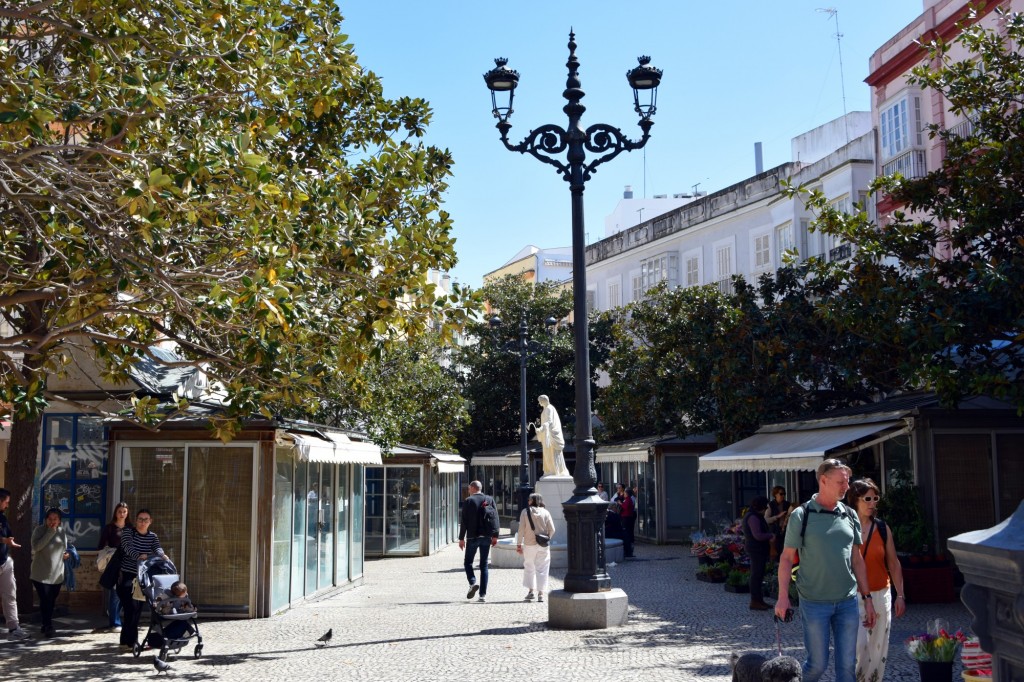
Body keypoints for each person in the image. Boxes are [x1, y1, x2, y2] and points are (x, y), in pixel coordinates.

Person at [774, 459, 876, 682]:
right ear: (823, 480)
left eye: (847, 481)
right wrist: (782, 597)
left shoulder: (849, 515)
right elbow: (786, 558)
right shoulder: (802, 515)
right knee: (817, 665)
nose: (846, 487)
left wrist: (867, 598)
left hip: (847, 601)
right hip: (814, 601)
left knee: (847, 667)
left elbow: (857, 559)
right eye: (841, 482)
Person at [846, 478, 906, 682]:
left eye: (875, 498)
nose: (873, 503)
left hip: (881, 593)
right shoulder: (844, 527)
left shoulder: (882, 528)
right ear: (855, 500)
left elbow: (894, 563)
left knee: (878, 648)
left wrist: (901, 595)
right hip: (853, 596)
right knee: (859, 645)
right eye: (867, 498)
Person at [118, 509, 164, 650]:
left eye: (146, 519)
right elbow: (128, 548)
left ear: (150, 521)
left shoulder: (152, 536)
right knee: (130, 609)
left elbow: (157, 548)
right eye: (140, 519)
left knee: (136, 610)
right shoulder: (128, 532)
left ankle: (127, 642)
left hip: (142, 578)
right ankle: (131, 642)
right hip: (127, 576)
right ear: (136, 520)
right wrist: (139, 555)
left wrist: (163, 555)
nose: (143, 522)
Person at [30, 507, 69, 637]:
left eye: (55, 519)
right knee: (45, 599)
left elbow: (63, 548)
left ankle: (45, 624)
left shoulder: (62, 532)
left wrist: (65, 554)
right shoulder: (39, 530)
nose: (52, 521)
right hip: (40, 573)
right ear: (46, 520)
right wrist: (50, 532)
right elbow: (36, 547)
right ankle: (48, 625)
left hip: (57, 574)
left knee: (51, 601)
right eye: (50, 519)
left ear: (59, 521)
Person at [458, 481, 499, 603]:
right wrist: (495, 535)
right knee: (484, 565)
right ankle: (482, 595)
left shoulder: (468, 501)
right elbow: (495, 517)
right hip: (486, 536)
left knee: (468, 563)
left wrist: (461, 538)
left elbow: (464, 521)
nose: (469, 490)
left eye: (469, 488)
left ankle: (472, 582)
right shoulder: (489, 499)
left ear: (472, 488)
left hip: (472, 537)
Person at [0, 488, 29, 640]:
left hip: (5, 561)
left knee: (10, 595)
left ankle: (14, 629)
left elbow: (7, 535)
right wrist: (4, 540)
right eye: (6, 502)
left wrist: (9, 541)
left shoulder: (3, 517)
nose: (7, 505)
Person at [516, 493, 556, 603]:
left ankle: (531, 592)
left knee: (529, 567)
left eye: (529, 499)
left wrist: (519, 544)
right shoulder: (546, 512)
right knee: (542, 569)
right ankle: (541, 594)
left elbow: (521, 530)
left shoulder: (525, 512)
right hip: (543, 545)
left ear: (531, 501)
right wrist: (547, 538)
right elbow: (552, 529)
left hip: (529, 544)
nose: (528, 501)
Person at [99, 501, 130, 633]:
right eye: (119, 511)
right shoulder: (110, 528)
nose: (122, 514)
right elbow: (101, 545)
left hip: (128, 564)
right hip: (114, 564)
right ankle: (115, 622)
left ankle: (114, 614)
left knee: (126, 593)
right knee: (116, 593)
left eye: (124, 512)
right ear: (115, 513)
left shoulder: (131, 528)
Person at [743, 495, 774, 611]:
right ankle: (755, 601)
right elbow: (758, 535)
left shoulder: (755, 516)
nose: (766, 509)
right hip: (756, 549)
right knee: (756, 575)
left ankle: (759, 600)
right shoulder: (753, 517)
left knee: (759, 575)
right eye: (765, 507)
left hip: (758, 549)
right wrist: (771, 535)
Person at [535, 395, 570, 476]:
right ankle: (550, 470)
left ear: (544, 401)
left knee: (552, 453)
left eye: (540, 401)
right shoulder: (545, 410)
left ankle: (555, 471)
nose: (539, 403)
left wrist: (541, 428)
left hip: (551, 435)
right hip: (547, 435)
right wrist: (541, 429)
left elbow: (550, 422)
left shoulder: (549, 408)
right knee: (547, 453)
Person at [766, 486, 792, 557]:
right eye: (781, 494)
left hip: (785, 531)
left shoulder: (787, 504)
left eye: (784, 494)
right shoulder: (771, 505)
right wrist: (777, 516)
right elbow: (766, 520)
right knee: (776, 552)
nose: (783, 496)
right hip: (775, 532)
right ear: (775, 494)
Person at [617, 484, 636, 558]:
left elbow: (625, 506)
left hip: (627, 517)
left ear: (627, 494)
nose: (624, 494)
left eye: (625, 493)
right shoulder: (626, 499)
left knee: (627, 531)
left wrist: (620, 503)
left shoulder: (628, 499)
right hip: (625, 517)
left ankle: (629, 548)